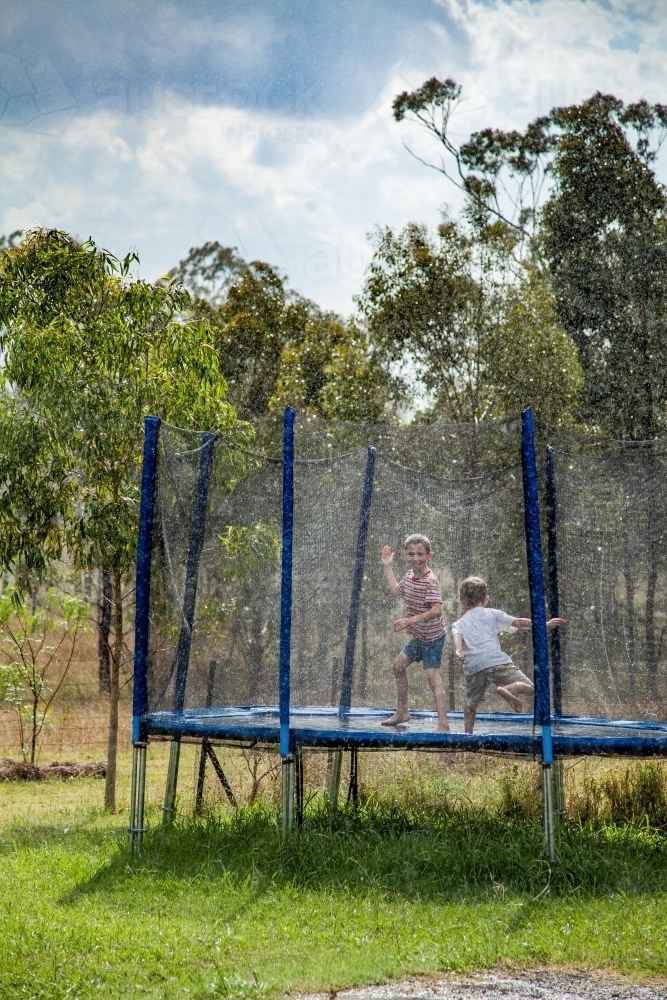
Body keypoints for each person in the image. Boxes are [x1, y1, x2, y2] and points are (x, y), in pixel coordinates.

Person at [452, 575, 565, 734]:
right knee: (533, 689)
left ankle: (467, 735)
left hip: (473, 666)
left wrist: (459, 650)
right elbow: (518, 622)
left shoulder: (459, 623)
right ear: (486, 600)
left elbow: (457, 636)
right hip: (496, 661)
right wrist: (543, 625)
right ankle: (509, 689)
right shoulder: (492, 613)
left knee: (470, 704)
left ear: (462, 602)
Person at [380, 534, 450, 732]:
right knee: (398, 667)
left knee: (432, 677)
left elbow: (437, 610)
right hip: (419, 637)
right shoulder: (409, 576)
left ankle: (443, 724)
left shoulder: (430, 581)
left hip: (434, 637)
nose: (416, 558)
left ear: (429, 555)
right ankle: (402, 712)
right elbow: (395, 591)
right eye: (411, 554)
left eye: (421, 554)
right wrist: (387, 566)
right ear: (405, 555)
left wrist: (409, 620)